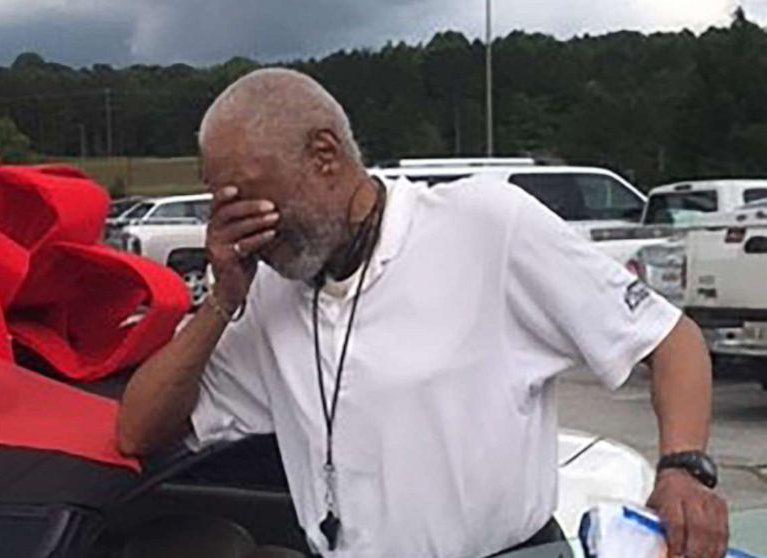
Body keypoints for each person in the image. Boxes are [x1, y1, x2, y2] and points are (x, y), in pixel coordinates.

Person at [117, 68, 728, 558]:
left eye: (251, 196)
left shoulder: (485, 225)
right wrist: (223, 299)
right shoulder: (271, 292)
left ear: (325, 155)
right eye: (223, 205)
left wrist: (683, 470)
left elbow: (670, 340)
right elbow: (139, 430)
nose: (240, 222)